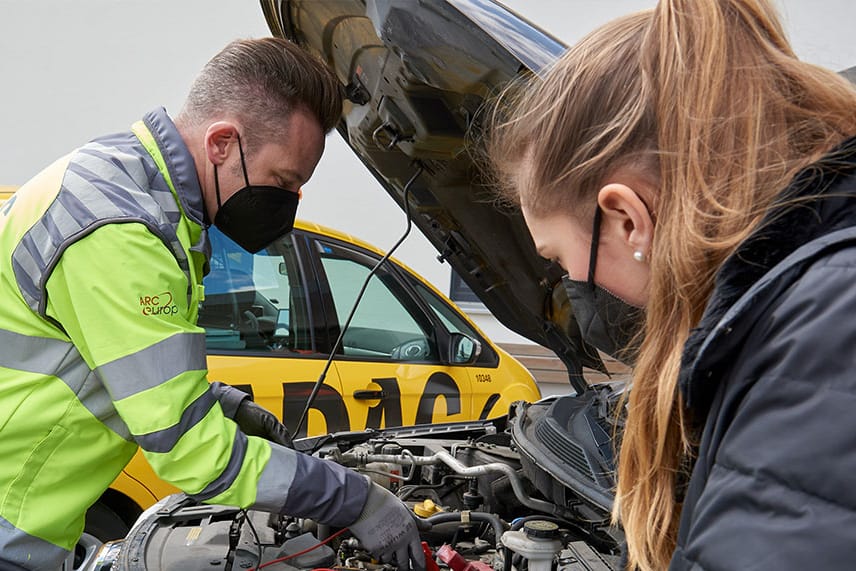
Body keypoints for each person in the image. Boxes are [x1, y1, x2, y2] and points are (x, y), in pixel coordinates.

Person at [0, 38, 423, 571]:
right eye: (283, 181)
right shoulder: (117, 229)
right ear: (222, 142)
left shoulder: (136, 191)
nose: (288, 204)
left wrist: (224, 404)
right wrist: (353, 499)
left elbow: (111, 363)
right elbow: (188, 449)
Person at [487, 1, 856, 569]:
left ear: (629, 219)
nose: (569, 285)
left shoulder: (823, 331)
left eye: (561, 261)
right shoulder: (808, 303)